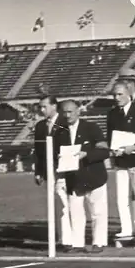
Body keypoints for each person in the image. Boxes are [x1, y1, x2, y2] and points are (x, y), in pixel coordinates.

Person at [55, 100, 110, 253]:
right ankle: (77, 244)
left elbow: (105, 151)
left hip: (94, 177)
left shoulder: (91, 128)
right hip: (73, 178)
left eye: (70, 111)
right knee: (75, 212)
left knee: (97, 211)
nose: (67, 115)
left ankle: (99, 242)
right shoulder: (59, 132)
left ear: (78, 111)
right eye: (64, 112)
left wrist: (87, 155)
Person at [33, 95, 72, 251]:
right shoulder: (40, 126)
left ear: (54, 106)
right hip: (48, 171)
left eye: (45, 106)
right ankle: (58, 237)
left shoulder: (65, 123)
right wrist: (38, 172)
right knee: (54, 204)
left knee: (65, 203)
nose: (42, 110)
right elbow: (38, 151)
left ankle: (68, 240)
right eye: (40, 107)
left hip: (63, 169)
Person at [107, 81, 135, 239]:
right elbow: (110, 136)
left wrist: (133, 147)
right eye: (114, 95)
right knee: (121, 197)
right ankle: (126, 229)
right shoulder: (112, 114)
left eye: (119, 94)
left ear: (128, 94)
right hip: (120, 162)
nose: (116, 98)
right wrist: (112, 149)